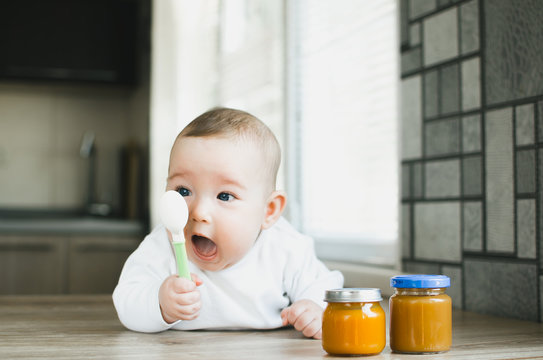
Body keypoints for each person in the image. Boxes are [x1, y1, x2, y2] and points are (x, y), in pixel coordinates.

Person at [113, 107, 343, 339]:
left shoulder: (284, 247)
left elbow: (325, 286)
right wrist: (160, 303)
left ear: (269, 211)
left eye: (225, 196)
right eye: (184, 190)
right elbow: (127, 300)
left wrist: (315, 307)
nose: (199, 212)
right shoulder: (163, 244)